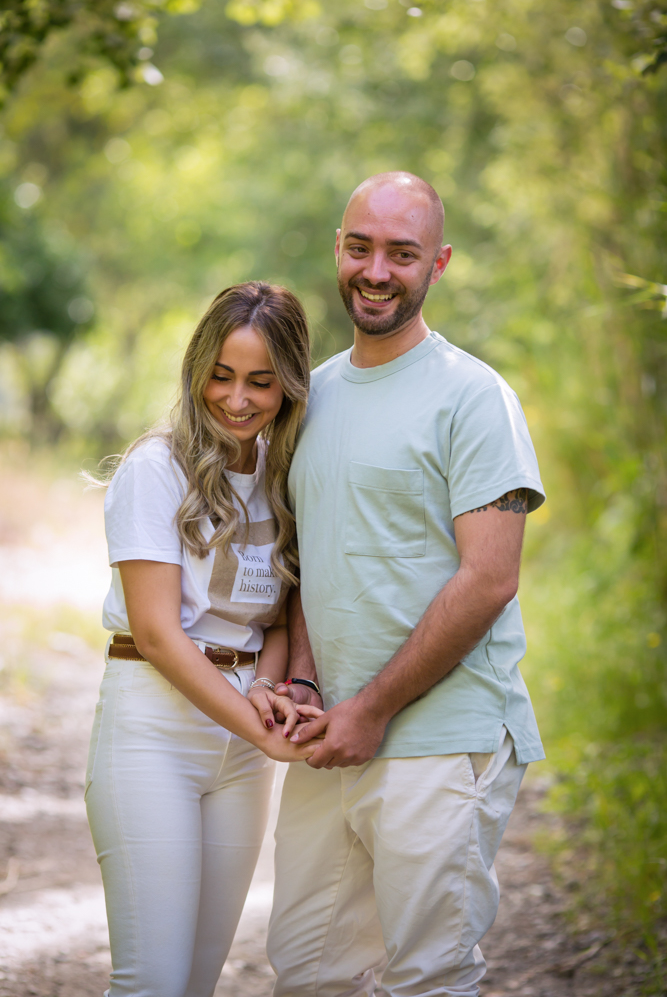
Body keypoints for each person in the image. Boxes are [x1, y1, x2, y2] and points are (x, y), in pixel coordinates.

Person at [268, 173, 547, 997]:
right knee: (308, 969)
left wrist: (375, 709)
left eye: (402, 253)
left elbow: (490, 578)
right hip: (330, 735)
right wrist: (310, 681)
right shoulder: (308, 395)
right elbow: (315, 556)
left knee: (427, 976)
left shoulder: (473, 398)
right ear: (338, 251)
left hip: (437, 735)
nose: (377, 271)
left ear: (440, 263)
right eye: (361, 248)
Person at [84, 281, 321, 997]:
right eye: (220, 376)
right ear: (196, 370)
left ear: (289, 384)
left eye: (260, 381)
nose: (237, 399)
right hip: (154, 729)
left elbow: (276, 615)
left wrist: (270, 693)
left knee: (194, 982)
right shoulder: (154, 470)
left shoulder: (281, 474)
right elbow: (157, 634)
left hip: (240, 740)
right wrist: (257, 723)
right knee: (150, 981)